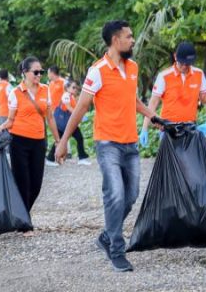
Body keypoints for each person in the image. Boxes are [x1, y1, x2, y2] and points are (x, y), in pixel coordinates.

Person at [56, 20, 159, 272]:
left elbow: (133, 100)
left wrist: (155, 119)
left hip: (130, 143)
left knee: (131, 195)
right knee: (114, 194)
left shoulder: (132, 67)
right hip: (108, 143)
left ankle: (106, 236)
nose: (133, 40)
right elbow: (81, 106)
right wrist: (63, 141)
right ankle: (116, 248)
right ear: (116, 40)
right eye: (129, 36)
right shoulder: (97, 71)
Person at [0, 57, 61, 234]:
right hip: (19, 142)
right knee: (22, 182)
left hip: (39, 142)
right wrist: (1, 129)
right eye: (36, 72)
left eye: (41, 72)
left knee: (36, 184)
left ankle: (20, 215)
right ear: (25, 72)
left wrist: (58, 141)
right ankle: (25, 223)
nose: (39, 75)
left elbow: (50, 118)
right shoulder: (15, 93)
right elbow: (10, 120)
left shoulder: (45, 90)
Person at [140, 42, 206, 146]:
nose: (184, 66)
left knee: (189, 162)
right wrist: (145, 128)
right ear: (175, 56)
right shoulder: (164, 76)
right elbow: (153, 104)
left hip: (190, 128)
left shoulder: (199, 74)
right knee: (169, 162)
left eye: (188, 63)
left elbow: (204, 98)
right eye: (182, 63)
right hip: (168, 129)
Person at [47, 79, 90, 165]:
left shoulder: (71, 96)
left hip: (67, 123)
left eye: (76, 88)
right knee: (76, 138)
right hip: (66, 123)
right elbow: (69, 107)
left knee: (61, 140)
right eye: (73, 87)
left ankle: (50, 158)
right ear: (67, 88)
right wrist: (79, 115)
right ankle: (82, 157)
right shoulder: (66, 96)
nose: (75, 89)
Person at [46, 66, 69, 166]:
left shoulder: (63, 82)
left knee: (61, 132)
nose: (47, 75)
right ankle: (57, 154)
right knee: (60, 132)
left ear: (52, 72)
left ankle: (53, 157)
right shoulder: (50, 84)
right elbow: (49, 98)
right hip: (53, 112)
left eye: (48, 72)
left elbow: (68, 95)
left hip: (62, 112)